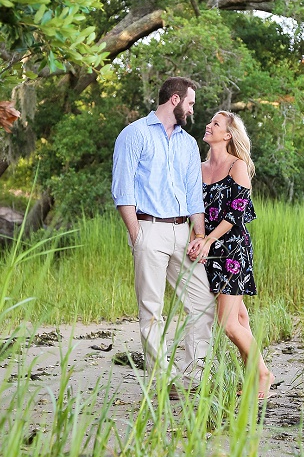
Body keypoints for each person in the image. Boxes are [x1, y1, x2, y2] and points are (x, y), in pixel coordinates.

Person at [111, 76, 215, 398]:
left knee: (202, 302)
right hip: (149, 229)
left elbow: (193, 195)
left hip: (182, 231)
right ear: (175, 100)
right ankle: (162, 379)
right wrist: (137, 234)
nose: (193, 109)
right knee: (152, 309)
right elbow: (123, 189)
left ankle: (192, 378)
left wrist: (199, 235)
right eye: (191, 103)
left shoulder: (188, 143)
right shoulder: (134, 134)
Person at [187, 111, 275, 399]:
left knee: (227, 323)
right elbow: (193, 208)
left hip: (232, 249)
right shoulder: (197, 168)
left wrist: (211, 239)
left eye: (215, 123)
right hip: (207, 248)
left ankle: (263, 374)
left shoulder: (237, 166)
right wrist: (197, 239)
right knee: (238, 316)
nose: (208, 125)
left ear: (228, 135)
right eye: (209, 120)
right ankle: (253, 374)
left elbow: (238, 211)